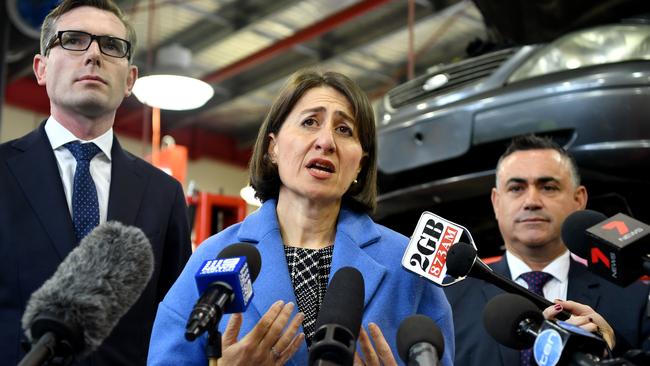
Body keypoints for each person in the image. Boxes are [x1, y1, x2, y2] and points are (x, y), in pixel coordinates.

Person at [148, 69, 455, 365]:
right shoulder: (213, 257)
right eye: (310, 122)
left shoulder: (407, 265)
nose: (326, 141)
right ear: (273, 148)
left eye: (344, 129)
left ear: (360, 164)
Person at [0, 1, 191, 365]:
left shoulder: (163, 195)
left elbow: (174, 322)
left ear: (131, 79)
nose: (93, 55)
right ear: (41, 68)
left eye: (111, 46)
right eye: (73, 40)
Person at [444, 134, 650, 366]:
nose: (531, 201)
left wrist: (607, 355)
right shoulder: (449, 304)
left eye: (548, 187)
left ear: (578, 200)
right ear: (496, 203)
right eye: (516, 188)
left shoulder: (635, 297)